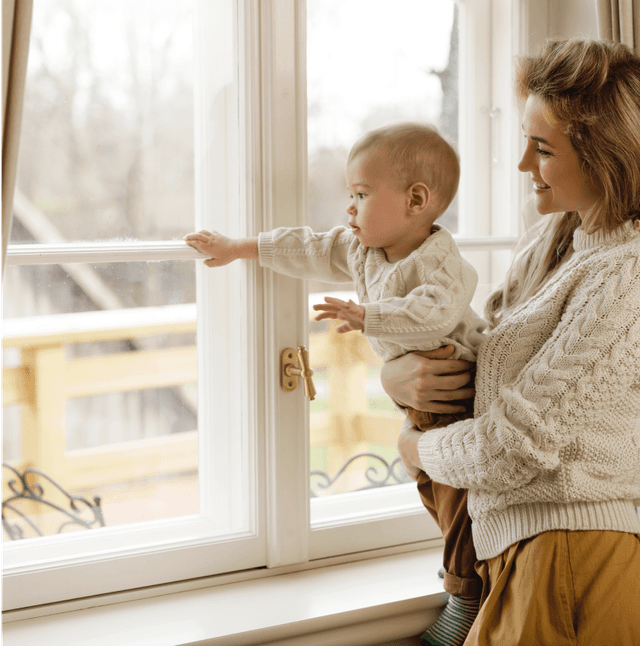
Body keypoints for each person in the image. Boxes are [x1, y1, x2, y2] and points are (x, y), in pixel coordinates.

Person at [184, 122, 488, 645]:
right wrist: (240, 247)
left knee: (460, 497)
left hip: (460, 396)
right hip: (420, 401)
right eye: (350, 194)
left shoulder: (443, 263)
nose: (350, 207)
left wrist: (367, 316)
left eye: (362, 194)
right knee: (431, 489)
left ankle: (465, 595)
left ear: (417, 200)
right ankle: (461, 573)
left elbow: (434, 316)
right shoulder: (363, 249)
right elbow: (309, 248)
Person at [384, 38, 640, 646]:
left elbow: (511, 451)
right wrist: (397, 379)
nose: (523, 164)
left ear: (606, 157)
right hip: (523, 557)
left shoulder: (626, 276)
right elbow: (483, 365)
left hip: (573, 562)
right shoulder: (553, 238)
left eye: (543, 149)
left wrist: (416, 449)